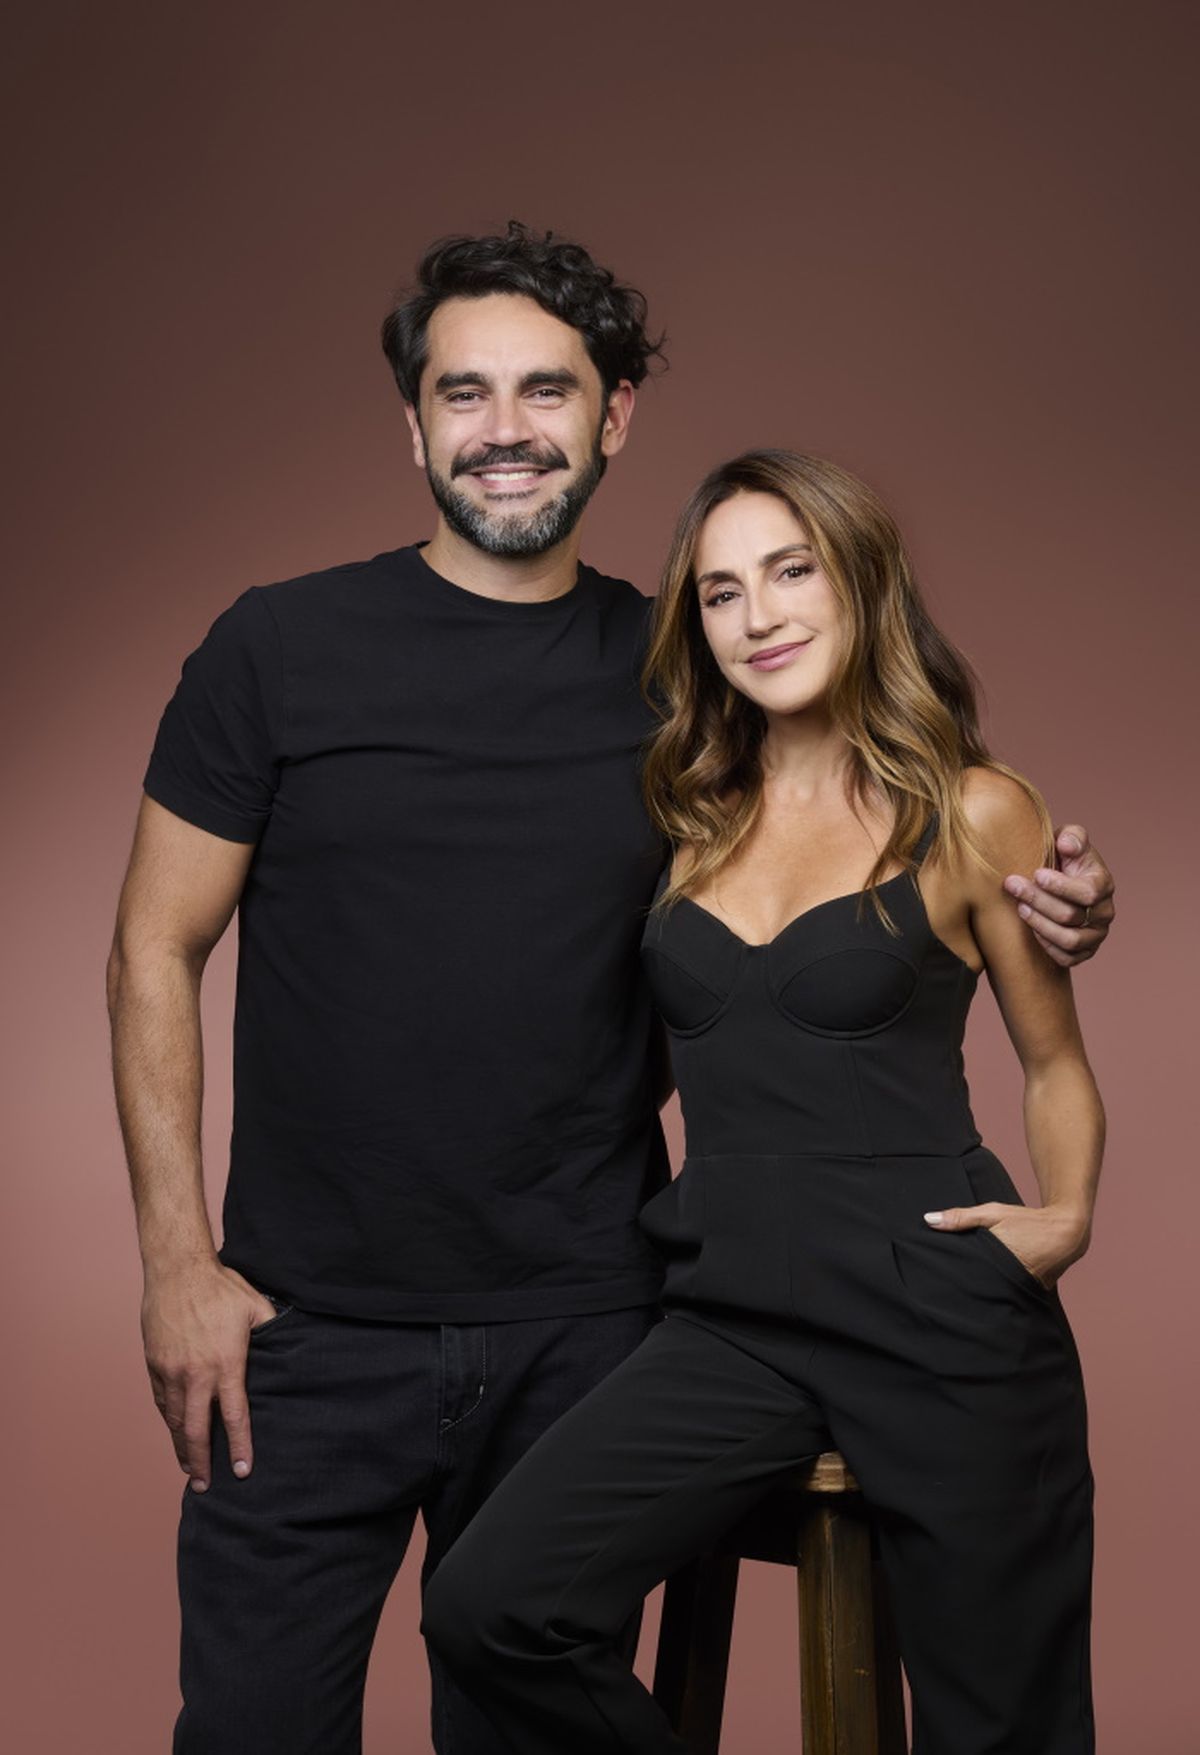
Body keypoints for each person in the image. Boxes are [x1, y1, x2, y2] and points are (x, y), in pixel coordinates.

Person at [106, 224, 1113, 1755]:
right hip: (311, 1327)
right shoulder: (279, 650)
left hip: (591, 1319)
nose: (504, 428)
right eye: (464, 392)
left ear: (615, 414)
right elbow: (150, 949)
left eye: (548, 390)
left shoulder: (679, 685)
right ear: (414, 422)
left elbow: (884, 816)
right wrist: (177, 1264)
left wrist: (1066, 902)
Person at [422, 449, 1104, 1755]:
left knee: (1001, 1728)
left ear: (862, 585)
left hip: (937, 1307)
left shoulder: (974, 810)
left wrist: (1066, 1216)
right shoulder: (684, 816)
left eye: (793, 572)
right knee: (493, 1606)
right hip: (731, 1316)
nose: (760, 616)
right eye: (722, 591)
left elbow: (1056, 1061)